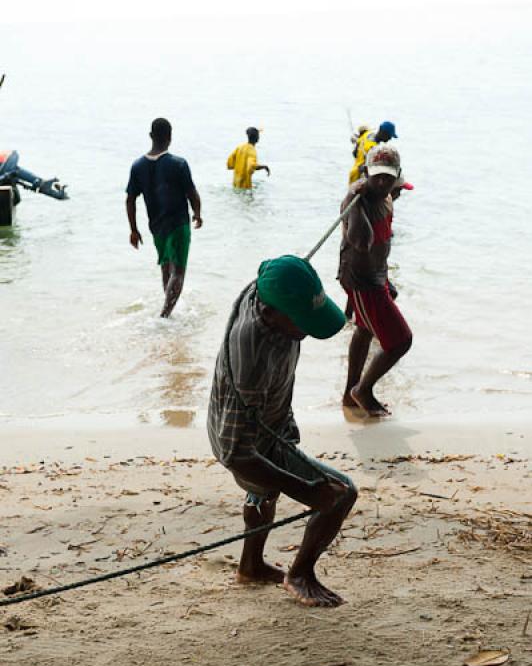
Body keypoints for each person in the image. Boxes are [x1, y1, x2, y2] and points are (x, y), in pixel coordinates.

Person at [208, 256, 357, 607]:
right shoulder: (252, 355)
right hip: (249, 435)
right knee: (340, 494)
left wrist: (292, 274)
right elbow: (237, 452)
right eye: (301, 322)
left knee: (263, 492)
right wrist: (307, 491)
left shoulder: (260, 290)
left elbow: (279, 273)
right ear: (273, 313)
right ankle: (301, 574)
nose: (306, 329)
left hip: (267, 419)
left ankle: (250, 566)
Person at [339, 144, 412, 416]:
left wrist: (387, 278)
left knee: (364, 329)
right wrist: (353, 201)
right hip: (362, 281)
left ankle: (349, 393)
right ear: (366, 174)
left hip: (377, 276)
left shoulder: (388, 196)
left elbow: (382, 245)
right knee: (400, 341)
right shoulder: (357, 202)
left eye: (389, 178)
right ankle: (363, 390)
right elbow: (362, 241)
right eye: (377, 176)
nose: (382, 183)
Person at [126, 118, 202, 318]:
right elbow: (192, 193)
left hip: (156, 226)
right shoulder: (178, 164)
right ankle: (165, 315)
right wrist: (198, 213)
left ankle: (167, 311)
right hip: (178, 224)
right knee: (178, 271)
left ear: (151, 136)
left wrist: (133, 229)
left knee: (165, 267)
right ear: (170, 138)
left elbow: (130, 200)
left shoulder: (138, 166)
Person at [349, 120, 398, 185]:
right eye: (389, 135)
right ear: (382, 132)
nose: (390, 138)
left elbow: (354, 153)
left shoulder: (367, 134)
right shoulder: (373, 149)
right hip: (358, 178)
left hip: (353, 173)